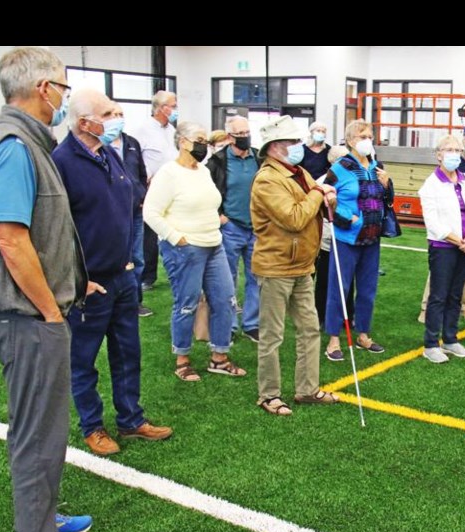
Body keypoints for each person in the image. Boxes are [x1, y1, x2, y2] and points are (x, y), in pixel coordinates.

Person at [0, 46, 98, 532]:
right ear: (44, 89)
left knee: (41, 425)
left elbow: (39, 234)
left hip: (30, 313)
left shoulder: (27, 144)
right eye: (63, 87)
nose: (66, 96)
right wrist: (49, 310)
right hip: (24, 318)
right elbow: (12, 240)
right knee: (38, 432)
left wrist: (71, 282)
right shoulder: (16, 147)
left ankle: (42, 517)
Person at [52, 87, 173, 456]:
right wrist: (76, 279)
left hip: (123, 277)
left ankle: (131, 420)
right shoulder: (62, 162)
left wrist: (131, 264)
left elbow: (129, 204)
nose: (114, 119)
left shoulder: (110, 154)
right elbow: (55, 229)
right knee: (84, 360)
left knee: (127, 353)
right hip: (90, 284)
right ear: (84, 121)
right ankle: (93, 426)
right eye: (107, 114)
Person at [143, 120, 247, 381]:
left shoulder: (202, 170)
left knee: (226, 300)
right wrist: (177, 238)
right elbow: (150, 212)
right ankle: (182, 360)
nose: (203, 145)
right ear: (182, 142)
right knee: (186, 304)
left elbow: (209, 202)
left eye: (204, 140)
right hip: (185, 249)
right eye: (199, 140)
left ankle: (219, 357)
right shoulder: (168, 173)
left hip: (214, 245)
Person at [250, 115, 340, 415]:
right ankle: (269, 395)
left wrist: (329, 196)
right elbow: (294, 217)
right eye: (293, 142)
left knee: (310, 329)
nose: (298, 146)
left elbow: (320, 207)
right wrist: (319, 192)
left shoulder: (298, 171)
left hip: (302, 264)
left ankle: (307, 389)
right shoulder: (266, 180)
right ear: (276, 147)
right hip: (276, 267)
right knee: (272, 335)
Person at [323, 119, 393, 361]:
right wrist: (348, 218)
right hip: (346, 239)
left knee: (367, 289)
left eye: (370, 136)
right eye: (363, 136)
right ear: (350, 140)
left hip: (372, 238)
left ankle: (363, 333)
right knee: (338, 290)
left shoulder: (376, 166)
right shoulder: (339, 168)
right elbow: (325, 200)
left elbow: (385, 199)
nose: (368, 141)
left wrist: (387, 184)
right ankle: (333, 339)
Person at [418, 135, 465, 364]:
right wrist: (461, 242)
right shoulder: (430, 185)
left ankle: (451, 339)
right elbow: (433, 223)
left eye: (457, 149)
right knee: (439, 295)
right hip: (444, 247)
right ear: (438, 154)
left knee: (456, 295)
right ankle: (431, 344)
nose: (454, 154)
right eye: (449, 149)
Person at [207, 115, 261, 343]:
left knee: (256, 278)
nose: (245, 138)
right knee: (227, 279)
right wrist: (220, 217)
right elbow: (208, 191)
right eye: (240, 135)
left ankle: (252, 324)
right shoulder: (217, 161)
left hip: (256, 228)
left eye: (247, 133)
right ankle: (228, 325)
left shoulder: (258, 157)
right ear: (230, 137)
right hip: (230, 228)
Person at [129, 90, 179, 293]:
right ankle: (147, 276)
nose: (175, 109)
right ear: (160, 108)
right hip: (151, 188)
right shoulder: (142, 130)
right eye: (173, 106)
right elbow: (135, 160)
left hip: (173, 187)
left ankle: (173, 268)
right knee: (149, 234)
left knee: (172, 228)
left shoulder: (171, 130)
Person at [107, 102, 153, 318]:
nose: (118, 118)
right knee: (117, 256)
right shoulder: (102, 145)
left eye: (121, 114)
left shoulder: (131, 142)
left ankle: (135, 302)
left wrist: (142, 195)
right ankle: (116, 301)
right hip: (112, 213)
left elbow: (141, 173)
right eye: (113, 114)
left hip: (134, 210)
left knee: (137, 256)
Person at [312, 144, 355, 330]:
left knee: (348, 280)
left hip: (349, 239)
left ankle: (349, 315)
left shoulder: (352, 179)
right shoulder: (324, 181)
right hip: (330, 239)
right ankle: (321, 316)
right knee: (325, 280)